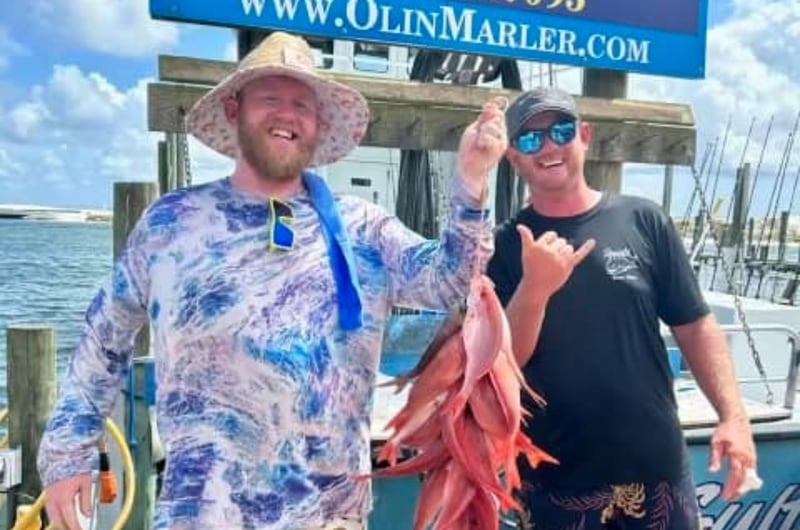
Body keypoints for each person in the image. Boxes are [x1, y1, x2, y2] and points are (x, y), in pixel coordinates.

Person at [37, 31, 509, 530]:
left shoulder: (363, 227)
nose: (286, 114)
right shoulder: (169, 223)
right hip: (198, 515)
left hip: (330, 519)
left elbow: (452, 281)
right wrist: (68, 454)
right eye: (270, 98)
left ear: (318, 124)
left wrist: (473, 184)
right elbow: (103, 339)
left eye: (301, 104)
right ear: (233, 111)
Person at [486, 86, 758, 529]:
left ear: (585, 136)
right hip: (553, 484)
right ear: (513, 157)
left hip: (656, 473)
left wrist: (734, 417)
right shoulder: (503, 246)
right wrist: (535, 288)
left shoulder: (644, 220)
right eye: (531, 139)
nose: (549, 145)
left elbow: (695, 325)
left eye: (561, 130)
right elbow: (502, 365)